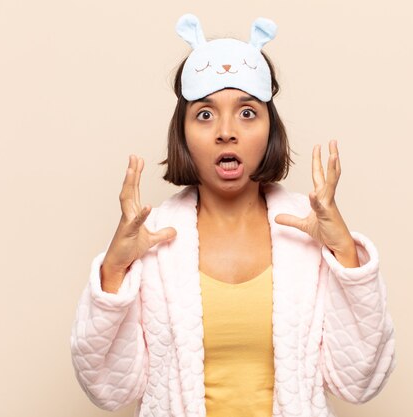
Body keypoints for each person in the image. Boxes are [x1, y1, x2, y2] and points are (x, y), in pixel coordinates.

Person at [70, 13, 396, 417]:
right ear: (183, 134)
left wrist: (345, 251)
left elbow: (359, 381)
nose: (227, 131)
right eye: (205, 114)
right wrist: (114, 272)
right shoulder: (152, 238)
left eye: (247, 112)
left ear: (270, 130)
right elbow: (107, 389)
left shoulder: (309, 233)